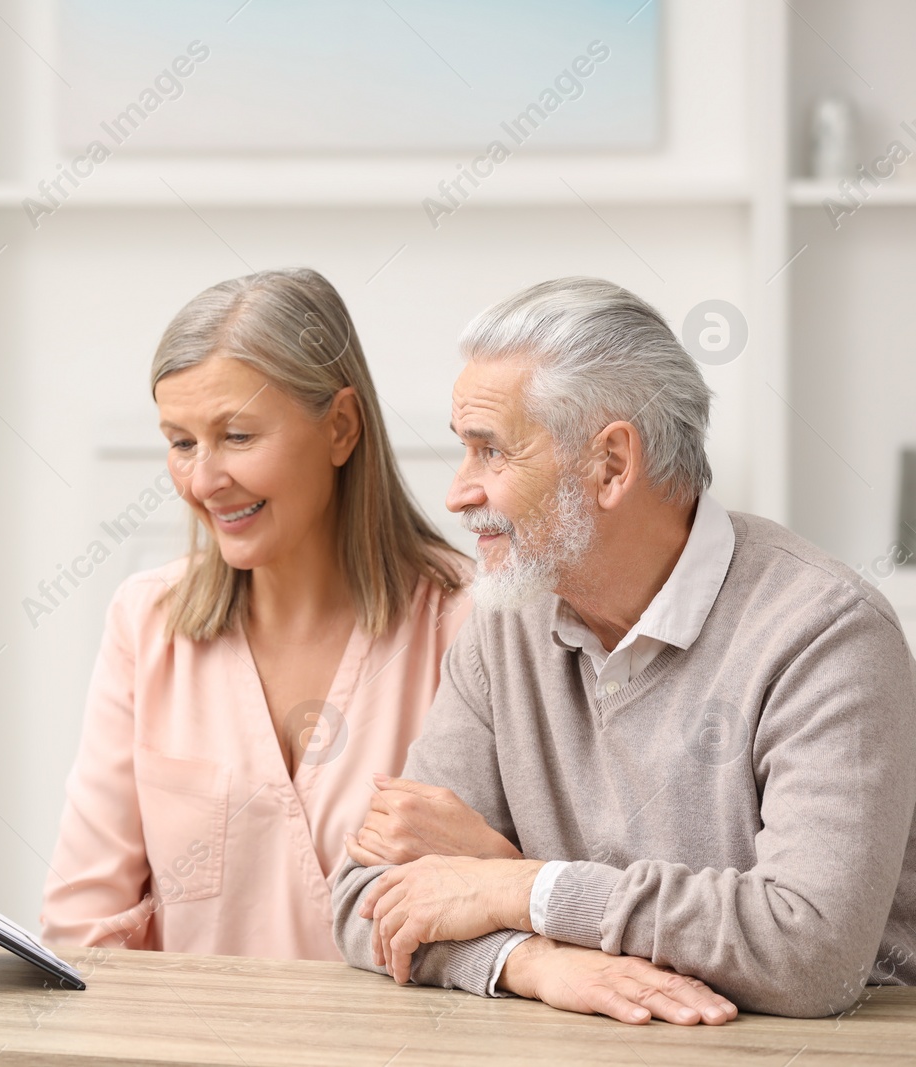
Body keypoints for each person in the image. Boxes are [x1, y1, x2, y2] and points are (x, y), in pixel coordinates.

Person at [332, 276, 916, 1023]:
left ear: (611, 464)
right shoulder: (505, 622)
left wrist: (517, 885)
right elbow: (362, 902)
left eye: (490, 451)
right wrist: (533, 961)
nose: (457, 492)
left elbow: (810, 952)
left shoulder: (826, 632)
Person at [41, 268, 473, 959]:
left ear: (340, 427)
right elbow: (84, 929)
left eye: (237, 436)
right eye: (182, 442)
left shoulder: (467, 625)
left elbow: (509, 905)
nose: (203, 481)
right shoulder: (145, 621)